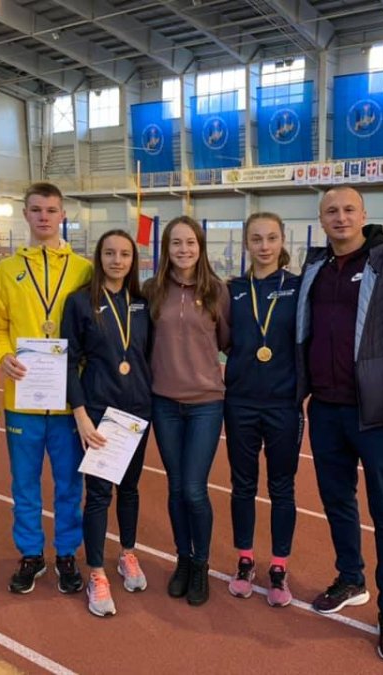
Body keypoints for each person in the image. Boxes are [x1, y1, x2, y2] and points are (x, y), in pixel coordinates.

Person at [295, 187, 383, 663]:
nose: (340, 217)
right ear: (321, 219)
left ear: (364, 215)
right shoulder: (315, 266)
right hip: (325, 410)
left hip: (377, 414)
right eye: (331, 211)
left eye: (348, 210)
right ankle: (350, 579)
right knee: (337, 502)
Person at [0, 182, 92, 595]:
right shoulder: (6, 270)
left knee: (69, 484)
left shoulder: (84, 269)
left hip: (69, 402)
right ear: (26, 214)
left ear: (63, 214)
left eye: (51, 210)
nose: (44, 217)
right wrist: (2, 355)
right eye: (36, 210)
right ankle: (31, 554)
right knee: (25, 484)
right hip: (24, 399)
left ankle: (67, 553)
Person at [61, 229, 152, 617]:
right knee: (99, 494)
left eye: (125, 254)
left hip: (138, 411)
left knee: (129, 489)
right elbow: (68, 362)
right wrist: (80, 414)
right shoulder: (80, 302)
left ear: (134, 260)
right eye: (110, 253)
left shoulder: (143, 303)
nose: (117, 260)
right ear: (99, 258)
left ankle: (127, 554)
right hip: (100, 412)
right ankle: (97, 573)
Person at [143, 215, 230, 607]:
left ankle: (200, 564)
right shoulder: (152, 290)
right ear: (166, 249)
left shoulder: (216, 291)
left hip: (205, 404)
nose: (183, 250)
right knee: (176, 487)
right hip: (163, 403)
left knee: (194, 489)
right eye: (176, 243)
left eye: (190, 242)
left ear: (200, 247)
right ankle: (183, 558)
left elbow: (228, 342)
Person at [224, 212, 302, 608]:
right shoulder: (233, 290)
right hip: (240, 403)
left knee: (282, 487)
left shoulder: (298, 287)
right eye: (256, 239)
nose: (264, 246)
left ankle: (279, 566)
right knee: (243, 485)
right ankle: (244, 560)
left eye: (271, 238)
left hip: (284, 405)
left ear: (282, 240)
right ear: (246, 244)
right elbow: (222, 339)